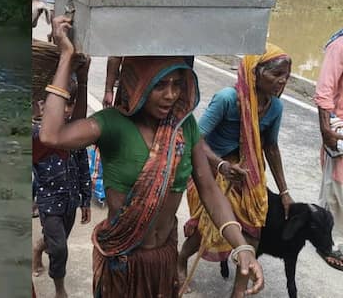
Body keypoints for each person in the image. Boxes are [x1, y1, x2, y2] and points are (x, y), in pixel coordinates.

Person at [40, 15, 265, 298]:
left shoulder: (184, 125)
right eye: (159, 85)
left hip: (163, 260)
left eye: (176, 84)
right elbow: (51, 135)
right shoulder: (112, 124)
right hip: (123, 261)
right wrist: (66, 56)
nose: (170, 95)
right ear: (136, 85)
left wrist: (241, 246)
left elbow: (208, 189)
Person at [178, 45, 294, 293]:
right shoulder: (227, 99)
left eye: (286, 75)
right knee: (206, 230)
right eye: (276, 74)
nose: (282, 81)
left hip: (247, 174)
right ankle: (180, 261)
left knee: (252, 232)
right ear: (254, 72)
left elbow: (270, 147)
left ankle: (238, 291)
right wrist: (221, 165)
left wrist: (284, 191)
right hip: (211, 170)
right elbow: (195, 138)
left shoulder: (275, 108)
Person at [32, 59, 92, 298]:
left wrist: (85, 199)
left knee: (55, 243)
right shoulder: (38, 136)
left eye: (70, 105)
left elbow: (83, 166)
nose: (65, 110)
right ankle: (60, 289)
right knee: (59, 249)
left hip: (70, 203)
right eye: (60, 104)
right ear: (41, 106)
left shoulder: (72, 134)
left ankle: (38, 248)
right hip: (49, 203)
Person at [313, 28, 343, 270]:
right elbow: (324, 91)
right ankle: (329, 244)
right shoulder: (339, 45)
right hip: (339, 127)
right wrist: (326, 132)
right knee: (336, 189)